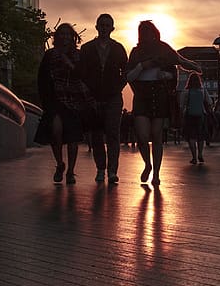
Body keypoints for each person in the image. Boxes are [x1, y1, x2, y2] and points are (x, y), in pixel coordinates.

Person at [126, 20, 201, 186]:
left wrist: (188, 68)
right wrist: (142, 66)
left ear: (155, 33)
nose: (146, 35)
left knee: (157, 136)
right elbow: (129, 75)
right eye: (143, 32)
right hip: (142, 95)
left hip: (159, 94)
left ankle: (156, 174)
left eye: (149, 32)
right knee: (143, 136)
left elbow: (179, 61)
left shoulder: (163, 48)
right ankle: (147, 164)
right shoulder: (136, 52)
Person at [34, 24, 91, 184]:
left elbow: (82, 75)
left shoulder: (78, 56)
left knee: (73, 138)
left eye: (68, 34)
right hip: (55, 99)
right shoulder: (50, 55)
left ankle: (71, 171)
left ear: (73, 37)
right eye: (62, 34)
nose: (65, 37)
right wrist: (44, 100)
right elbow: (42, 79)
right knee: (56, 131)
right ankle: (60, 163)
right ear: (57, 37)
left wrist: (69, 63)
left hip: (74, 99)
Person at [80, 14, 129, 184]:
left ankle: (112, 171)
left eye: (107, 25)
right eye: (102, 25)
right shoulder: (86, 49)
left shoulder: (118, 49)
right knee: (97, 135)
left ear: (112, 28)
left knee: (113, 134)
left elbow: (126, 72)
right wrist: (87, 92)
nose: (104, 28)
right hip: (93, 97)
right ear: (96, 26)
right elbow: (81, 73)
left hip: (113, 97)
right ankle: (101, 168)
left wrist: (118, 88)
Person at [181, 71, 211, 164]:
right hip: (201, 115)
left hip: (189, 115)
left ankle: (194, 157)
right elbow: (209, 101)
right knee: (200, 136)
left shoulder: (186, 91)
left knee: (191, 137)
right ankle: (200, 154)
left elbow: (181, 104)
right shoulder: (202, 90)